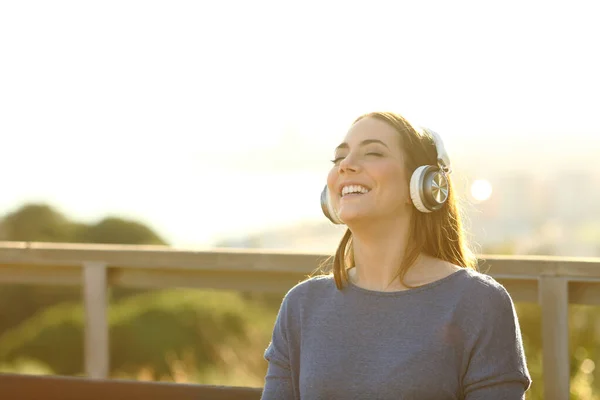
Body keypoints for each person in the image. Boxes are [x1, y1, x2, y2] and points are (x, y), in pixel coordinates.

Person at [260, 111, 531, 399]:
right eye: (339, 158)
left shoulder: (479, 303)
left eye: (373, 153)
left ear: (421, 186)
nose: (346, 166)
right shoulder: (302, 306)